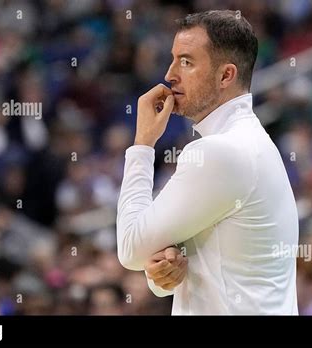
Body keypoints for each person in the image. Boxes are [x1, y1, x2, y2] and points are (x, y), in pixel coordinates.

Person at [116, 10, 299, 314]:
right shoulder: (247, 141)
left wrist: (143, 145)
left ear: (226, 75)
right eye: (173, 59)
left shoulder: (222, 152)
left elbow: (130, 249)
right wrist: (163, 272)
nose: (170, 74)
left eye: (186, 62)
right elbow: (189, 262)